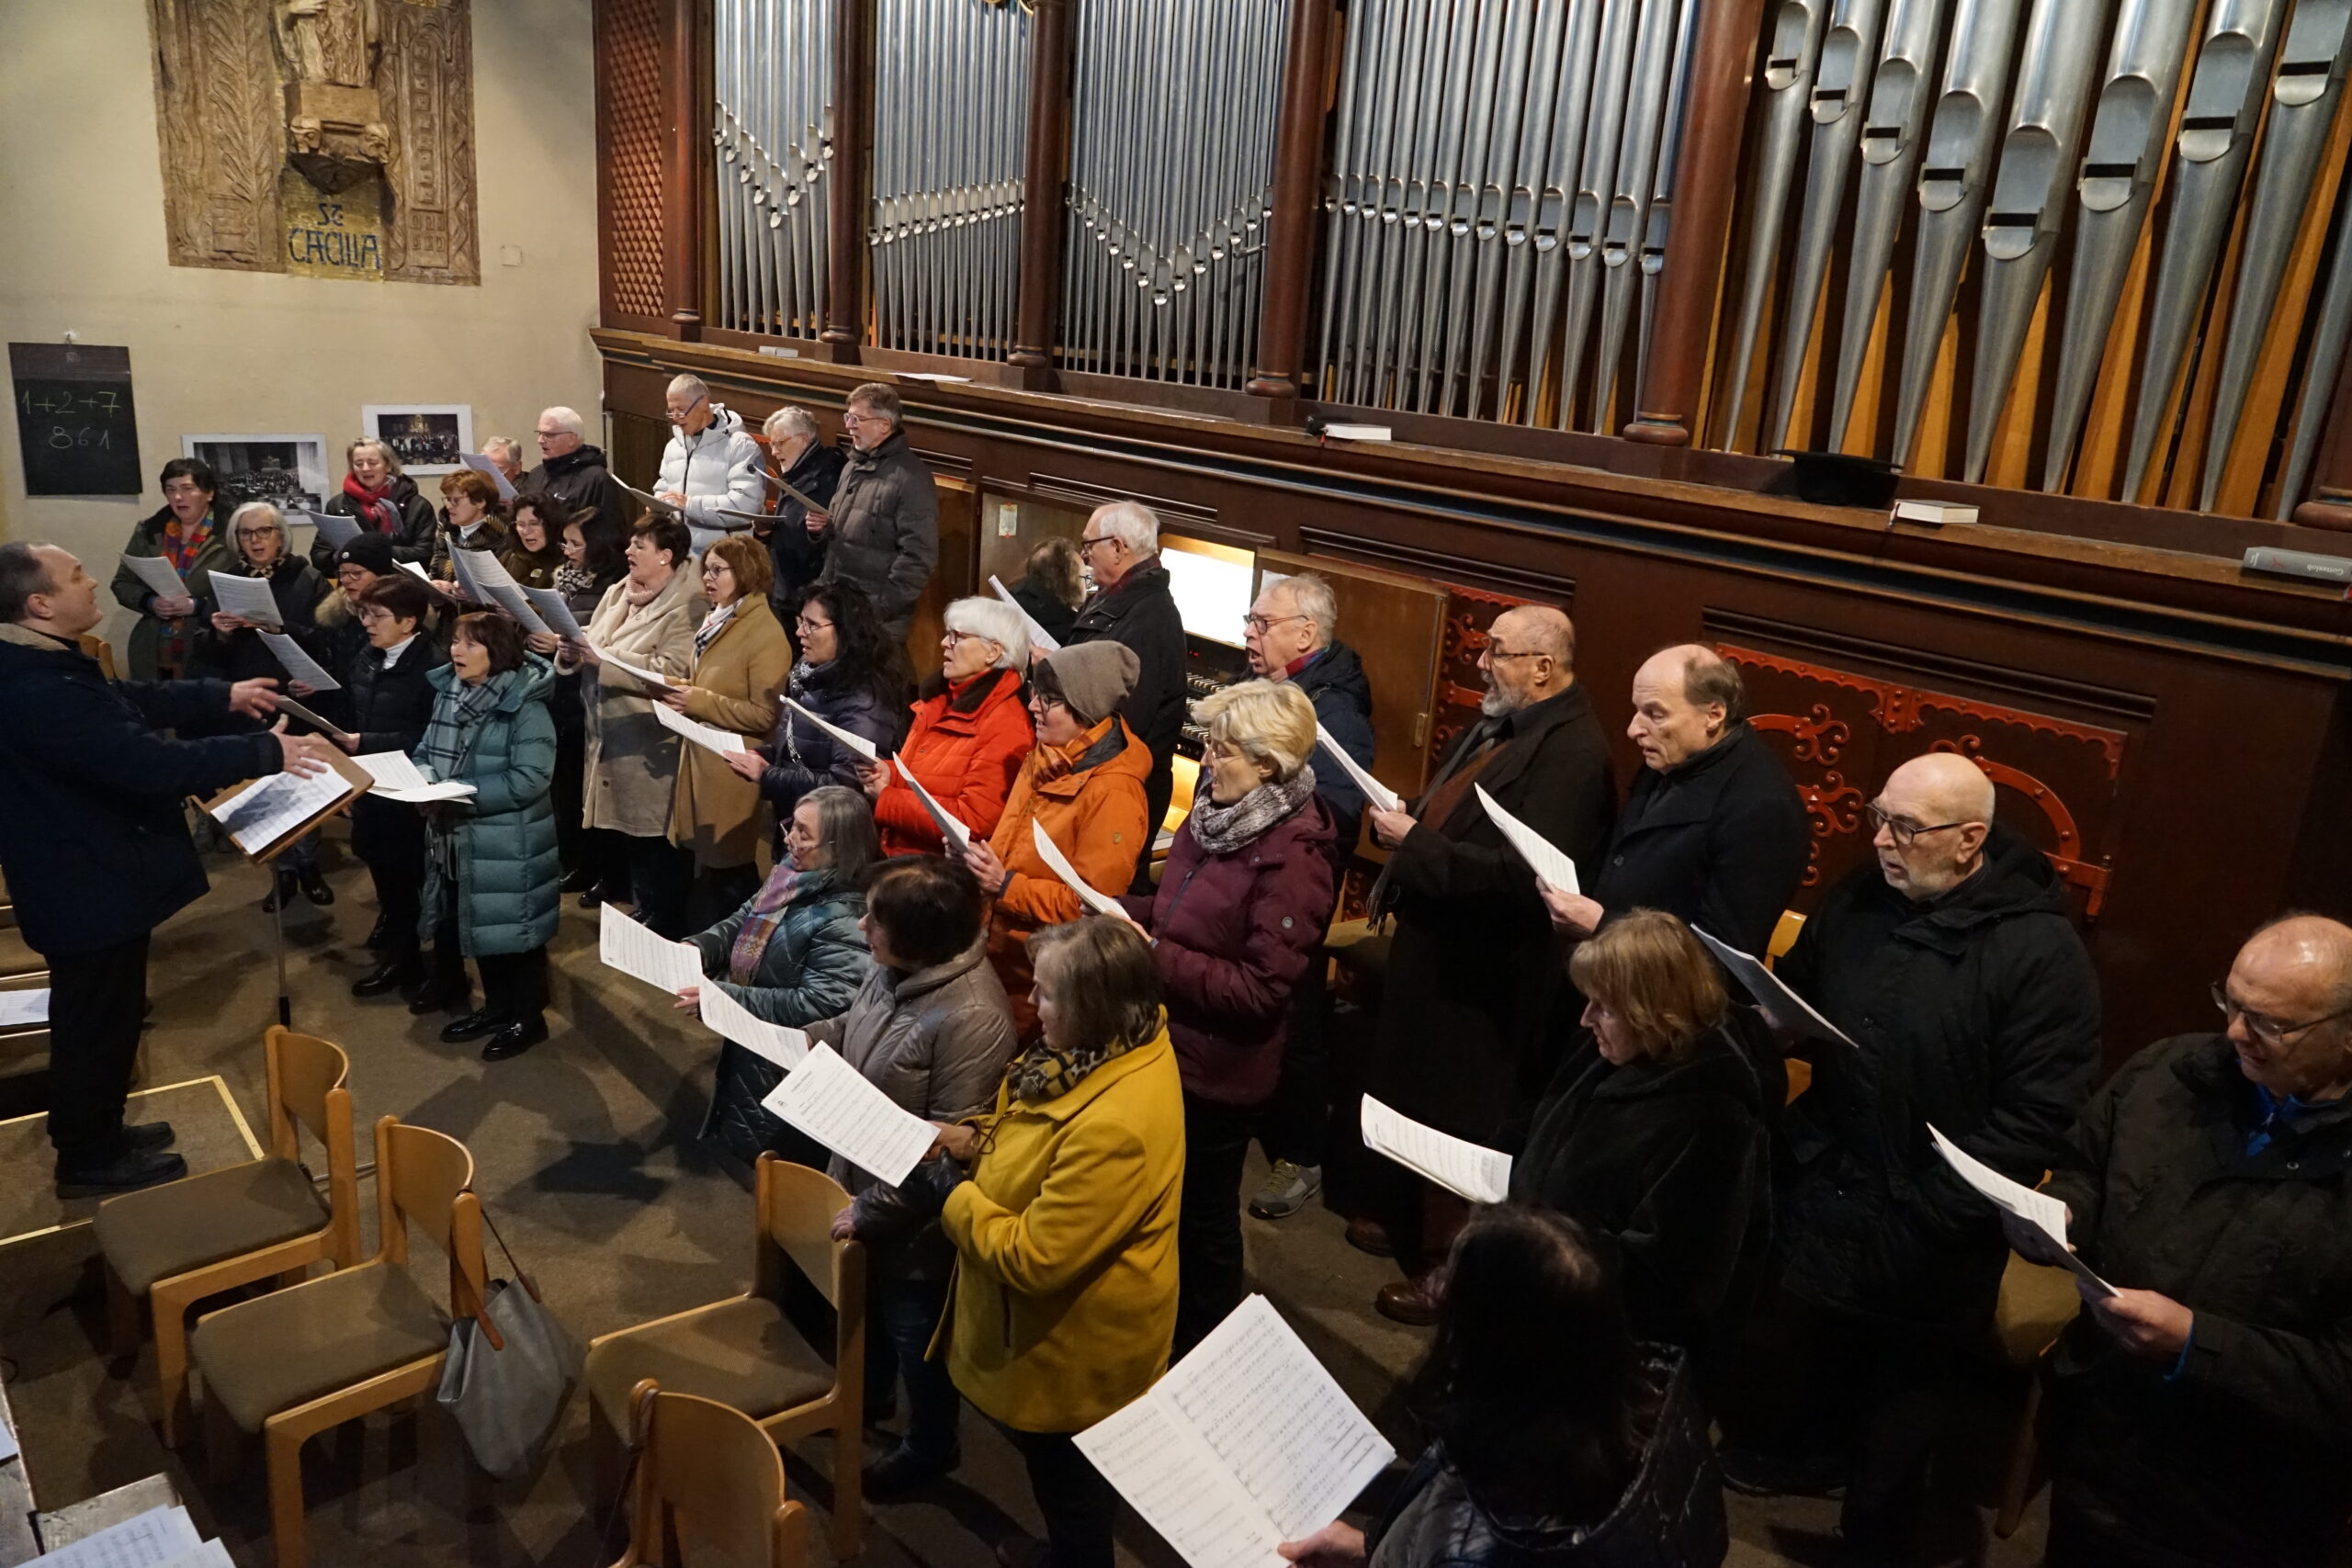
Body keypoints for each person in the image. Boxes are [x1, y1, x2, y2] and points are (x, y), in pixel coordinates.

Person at [1722, 753, 2098, 1557]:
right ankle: (1807, 1453)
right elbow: (1804, 984)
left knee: (1904, 1389)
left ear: (1970, 840)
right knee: (1809, 1334)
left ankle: (1879, 1523)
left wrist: (1932, 1207)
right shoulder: (1862, 895)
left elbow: (2035, 1115)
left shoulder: (2039, 952)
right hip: (1834, 1159)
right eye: (1879, 819)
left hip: (1934, 1207)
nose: (1883, 841)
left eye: (1907, 828)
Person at [2015, 915, 2352, 1568]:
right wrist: (2060, 1214)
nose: (2233, 1032)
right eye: (2231, 1001)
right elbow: (2090, 1166)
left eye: (2270, 1023)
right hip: (2101, 1440)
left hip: (2240, 1500)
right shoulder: (2170, 1073)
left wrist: (2197, 1342)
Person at [0, 542, 334, 1196]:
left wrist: (221, 694)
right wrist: (265, 749)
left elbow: (126, 700)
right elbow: (145, 763)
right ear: (40, 603)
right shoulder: (33, 686)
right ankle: (88, 1155)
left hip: (88, 872)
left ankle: (99, 1128)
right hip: (83, 880)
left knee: (110, 1013)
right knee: (95, 1020)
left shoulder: (41, 662)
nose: (93, 580)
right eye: (76, 575)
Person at [1360, 605, 1617, 1324]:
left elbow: (1524, 877)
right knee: (1422, 1093)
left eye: (1497, 651)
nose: (1481, 662)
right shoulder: (1506, 726)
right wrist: (1418, 817)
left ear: (1545, 665)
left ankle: (1453, 1265)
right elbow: (1462, 815)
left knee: (1463, 1114)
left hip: (1492, 972)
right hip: (1445, 949)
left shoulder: (1572, 752)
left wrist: (1416, 842)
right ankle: (1414, 1225)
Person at [923, 918, 1184, 1568]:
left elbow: (1033, 1257)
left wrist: (950, 1194)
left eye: (1045, 995)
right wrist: (968, 1138)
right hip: (1057, 1329)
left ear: (1093, 1006)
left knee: (1069, 1481)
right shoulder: (1109, 1046)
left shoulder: (1114, 1128)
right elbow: (1029, 1129)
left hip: (1076, 1347)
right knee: (1068, 1481)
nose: (1031, 1006)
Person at [1277, 1207, 1729, 1568]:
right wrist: (1373, 1546)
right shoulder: (1649, 1411)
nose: (1432, 1289)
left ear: (1492, 1351)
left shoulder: (1478, 1547)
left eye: (1450, 1297)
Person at [1114, 679, 1335, 1353]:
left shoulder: (1295, 857)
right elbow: (1183, 913)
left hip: (1220, 1071)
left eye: (1222, 748)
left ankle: (1202, 1347)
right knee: (1161, 1202)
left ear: (1269, 763)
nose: (1206, 760)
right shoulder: (1217, 813)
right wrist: (1117, 907)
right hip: (1168, 1043)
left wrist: (1155, 955)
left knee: (1204, 1218)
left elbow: (1262, 989)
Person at [818, 856, 1021, 1495]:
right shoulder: (893, 969)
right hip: (861, 1178)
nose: (860, 927)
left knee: (917, 1339)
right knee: (867, 1311)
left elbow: (946, 1149)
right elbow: (853, 1028)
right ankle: (867, 1397)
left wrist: (872, 1210)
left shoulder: (975, 1019)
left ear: (916, 939)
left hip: (917, 1227)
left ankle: (932, 1446)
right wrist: (788, 1037)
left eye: (874, 921)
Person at [1510, 910, 1772, 1355]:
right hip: (1533, 1296)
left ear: (1654, 1014)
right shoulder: (1610, 1051)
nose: (1586, 1019)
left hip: (1594, 1345)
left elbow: (1668, 1286)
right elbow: (1543, 1130)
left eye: (1605, 1007)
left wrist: (1535, 1248)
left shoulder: (1712, 1119)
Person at [1240, 570, 1374, 1222]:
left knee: (1296, 1018)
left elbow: (1338, 811)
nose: (1249, 632)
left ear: (1308, 632)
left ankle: (1302, 1152)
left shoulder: (1335, 712)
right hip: (1245, 872)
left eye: (1262, 623)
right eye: (1252, 620)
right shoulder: (1272, 688)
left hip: (1292, 885)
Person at [1542, 645, 1809, 958]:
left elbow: (1721, 957)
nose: (1633, 729)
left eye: (1655, 714)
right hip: (1609, 971)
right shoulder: (1673, 755)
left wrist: (1601, 925)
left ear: (1713, 714)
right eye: (1637, 710)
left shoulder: (1764, 809)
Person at [962, 642, 1152, 1034]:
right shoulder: (1048, 754)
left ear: (1083, 710)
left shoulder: (1114, 793)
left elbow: (1093, 909)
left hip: (1041, 979)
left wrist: (1006, 885)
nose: (1033, 707)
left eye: (1048, 700)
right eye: (1036, 694)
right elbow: (1016, 844)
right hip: (996, 953)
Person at [685, 786, 876, 1166]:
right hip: (754, 1044)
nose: (789, 838)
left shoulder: (848, 918)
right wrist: (699, 946)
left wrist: (725, 997)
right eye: (792, 825)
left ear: (839, 848)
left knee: (773, 1165)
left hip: (787, 1065)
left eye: (804, 834)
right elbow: (745, 917)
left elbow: (818, 1004)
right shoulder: (791, 874)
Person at [410, 612, 559, 1060]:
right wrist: (423, 782)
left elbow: (531, 778)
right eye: (455, 641)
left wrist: (459, 797)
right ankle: (497, 1009)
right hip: (456, 840)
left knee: (517, 933)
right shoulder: (449, 696)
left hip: (507, 842)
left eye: (471, 644)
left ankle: (528, 1020)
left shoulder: (525, 706)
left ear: (497, 654)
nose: (457, 651)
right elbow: (423, 751)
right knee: (478, 926)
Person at [561, 514, 704, 936]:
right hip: (607, 733)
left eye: (640, 545)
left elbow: (673, 669)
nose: (629, 552)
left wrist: (602, 661)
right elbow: (596, 636)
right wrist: (569, 648)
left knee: (657, 840)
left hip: (649, 741)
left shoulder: (688, 604)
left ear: (666, 556)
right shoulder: (620, 590)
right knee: (631, 838)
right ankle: (646, 907)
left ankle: (667, 921)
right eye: (630, 543)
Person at [187, 502, 333, 911]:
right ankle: (283, 872)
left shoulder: (306, 577)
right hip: (248, 695)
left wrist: (280, 628)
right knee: (264, 785)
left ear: (279, 535)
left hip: (296, 692)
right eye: (247, 534)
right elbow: (203, 652)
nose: (256, 541)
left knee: (305, 785)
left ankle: (309, 866)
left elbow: (328, 638)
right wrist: (217, 632)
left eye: (263, 531)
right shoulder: (226, 583)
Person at [662, 535, 792, 926]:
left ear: (746, 572)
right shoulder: (717, 616)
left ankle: (736, 952)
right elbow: (704, 678)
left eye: (719, 570)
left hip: (733, 767)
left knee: (731, 871)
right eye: (707, 569)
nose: (708, 578)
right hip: (703, 758)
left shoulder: (765, 633)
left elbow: (763, 714)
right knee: (710, 870)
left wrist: (697, 700)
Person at [333, 574, 447, 998]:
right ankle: (402, 958)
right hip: (372, 784)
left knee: (413, 881)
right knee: (385, 877)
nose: (367, 623)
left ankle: (425, 966)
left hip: (411, 791)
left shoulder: (433, 667)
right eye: (364, 613)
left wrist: (368, 743)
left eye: (377, 615)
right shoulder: (368, 656)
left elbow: (432, 736)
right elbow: (356, 712)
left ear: (409, 621)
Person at [1064, 502, 1185, 883]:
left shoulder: (1149, 616)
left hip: (1119, 788)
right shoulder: (1115, 599)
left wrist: (1061, 677)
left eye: (1089, 545)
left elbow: (1127, 716)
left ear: (1118, 548)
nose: (1084, 555)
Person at [727, 579, 899, 845]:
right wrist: (764, 756)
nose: (800, 633)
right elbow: (802, 752)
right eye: (800, 622)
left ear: (846, 632)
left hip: (832, 841)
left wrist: (767, 775)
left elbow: (846, 786)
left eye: (812, 625)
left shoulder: (862, 697)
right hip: (799, 827)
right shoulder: (809, 677)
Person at [860, 595, 1034, 858]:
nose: (944, 643)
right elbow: (929, 776)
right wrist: (889, 773)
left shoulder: (1006, 725)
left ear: (993, 651)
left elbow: (972, 820)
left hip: (939, 875)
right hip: (903, 857)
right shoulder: (939, 700)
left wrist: (888, 798)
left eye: (956, 636)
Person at [812, 382, 938, 646]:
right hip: (839, 607)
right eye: (848, 417)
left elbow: (919, 557)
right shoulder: (853, 465)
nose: (849, 425)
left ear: (884, 424)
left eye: (857, 418)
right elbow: (849, 531)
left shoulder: (911, 478)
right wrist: (822, 528)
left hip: (876, 623)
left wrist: (878, 609)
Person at [548, 503, 629, 897]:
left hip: (596, 693)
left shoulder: (614, 585)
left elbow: (604, 640)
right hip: (563, 684)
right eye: (564, 543)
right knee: (566, 784)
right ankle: (576, 861)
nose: (567, 552)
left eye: (575, 544)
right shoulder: (564, 577)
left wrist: (560, 641)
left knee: (592, 786)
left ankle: (603, 869)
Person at [112, 457, 232, 680]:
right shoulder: (150, 531)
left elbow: (242, 593)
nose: (178, 497)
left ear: (209, 493)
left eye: (187, 489)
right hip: (153, 648)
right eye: (171, 490)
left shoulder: (231, 533)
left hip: (208, 648)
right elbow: (121, 583)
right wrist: (150, 601)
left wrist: (198, 606)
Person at [654, 373, 766, 556]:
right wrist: (658, 502)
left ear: (703, 403)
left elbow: (746, 506)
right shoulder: (674, 446)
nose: (675, 417)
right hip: (680, 555)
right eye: (670, 410)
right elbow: (664, 486)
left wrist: (690, 505)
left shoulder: (739, 445)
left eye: (681, 409)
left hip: (723, 558)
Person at [756, 405, 846, 615]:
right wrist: (766, 532)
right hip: (786, 586)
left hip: (806, 595)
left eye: (779, 443)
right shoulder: (795, 471)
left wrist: (817, 531)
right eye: (771, 444)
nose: (773, 451)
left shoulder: (828, 476)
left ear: (803, 440)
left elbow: (825, 537)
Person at [314, 436, 435, 570]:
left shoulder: (417, 506)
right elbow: (319, 556)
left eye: (372, 463)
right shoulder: (337, 505)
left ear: (388, 466)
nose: (365, 469)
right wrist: (345, 555)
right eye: (359, 464)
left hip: (401, 585)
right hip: (353, 584)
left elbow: (425, 554)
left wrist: (374, 552)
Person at [524, 405, 630, 539]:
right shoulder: (536, 474)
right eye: (539, 433)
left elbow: (609, 535)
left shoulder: (597, 479)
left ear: (571, 439)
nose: (540, 441)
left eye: (549, 435)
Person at [425, 468, 510, 588]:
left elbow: (496, 588)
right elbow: (436, 571)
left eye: (456, 500)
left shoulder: (502, 536)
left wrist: (452, 589)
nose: (448, 506)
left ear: (480, 502)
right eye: (448, 499)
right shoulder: (447, 529)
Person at [1010, 536, 1084, 649]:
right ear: (1069, 580)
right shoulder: (1070, 628)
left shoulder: (1013, 598)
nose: (1089, 582)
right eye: (1085, 576)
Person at [500, 490, 570, 591]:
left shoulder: (566, 567)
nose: (526, 531)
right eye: (521, 524)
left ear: (551, 525)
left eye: (534, 523)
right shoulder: (509, 556)